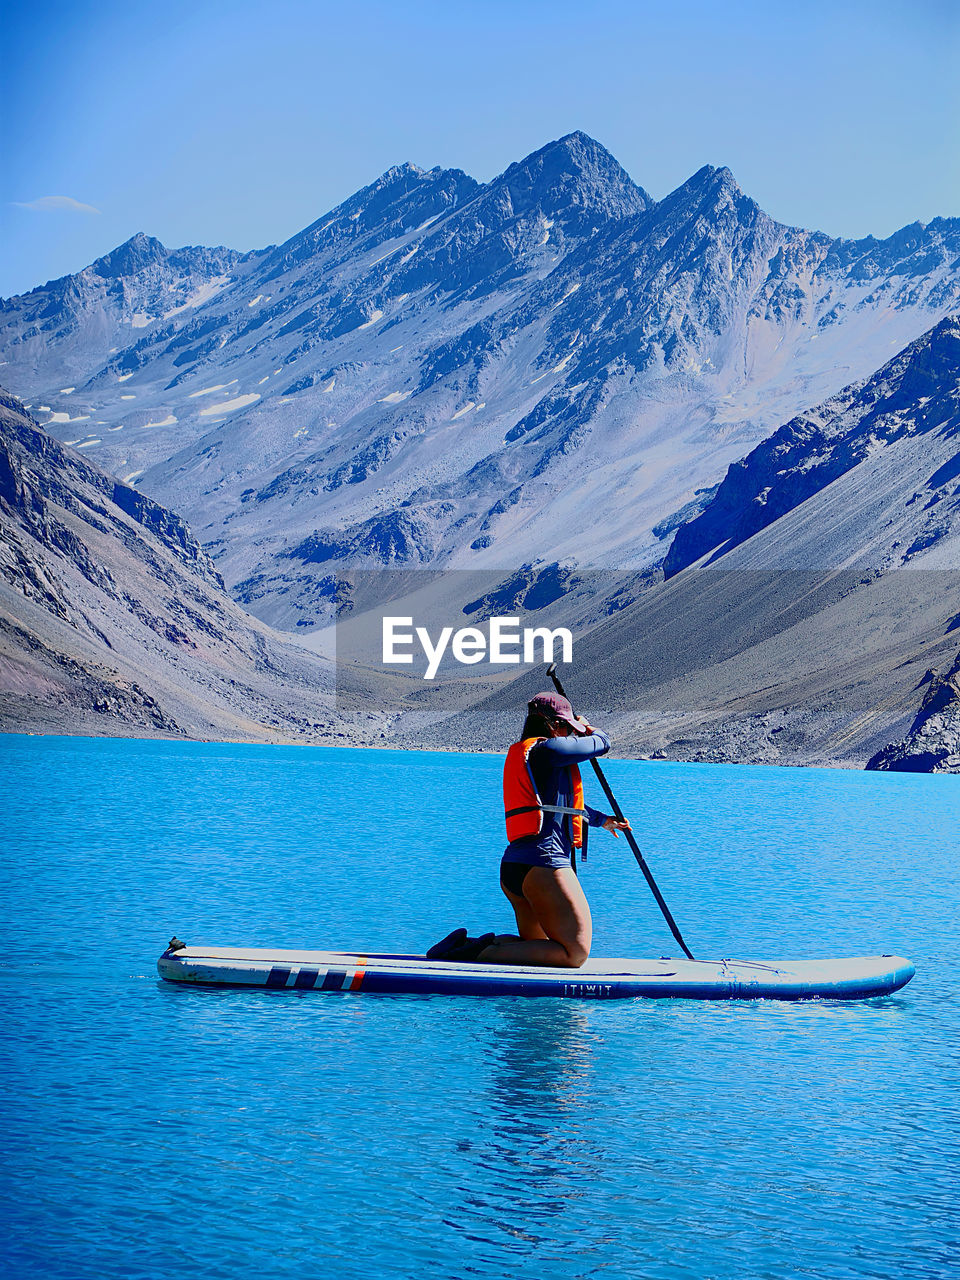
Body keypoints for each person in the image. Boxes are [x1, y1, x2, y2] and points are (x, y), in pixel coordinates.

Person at [427, 691, 630, 967]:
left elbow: (562, 807)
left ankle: (465, 945)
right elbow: (602, 743)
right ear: (552, 724)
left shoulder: (537, 757)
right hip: (543, 865)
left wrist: (602, 820)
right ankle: (475, 954)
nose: (571, 733)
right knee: (575, 953)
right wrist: (590, 729)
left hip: (515, 867)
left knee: (540, 949)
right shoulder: (547, 750)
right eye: (568, 727)